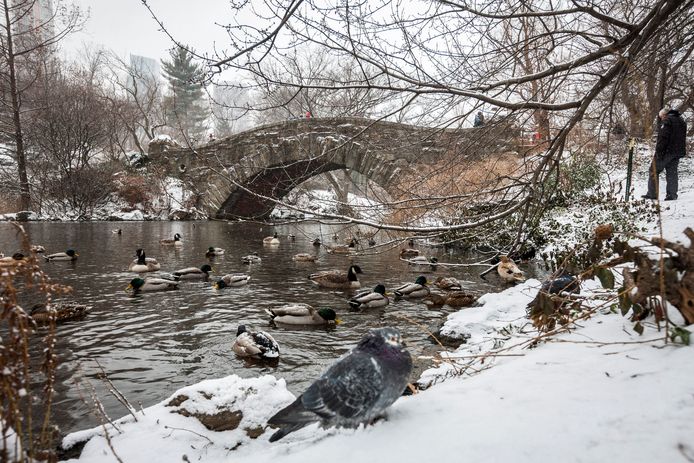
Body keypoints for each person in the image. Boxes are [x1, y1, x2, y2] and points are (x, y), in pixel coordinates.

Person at [642, 108, 687, 201]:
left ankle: (652, 194)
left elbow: (663, 138)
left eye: (661, 117)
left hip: (666, 151)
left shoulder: (667, 122)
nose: (661, 119)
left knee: (653, 170)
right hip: (677, 152)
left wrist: (658, 152)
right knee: (672, 173)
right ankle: (672, 194)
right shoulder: (681, 121)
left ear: (664, 115)